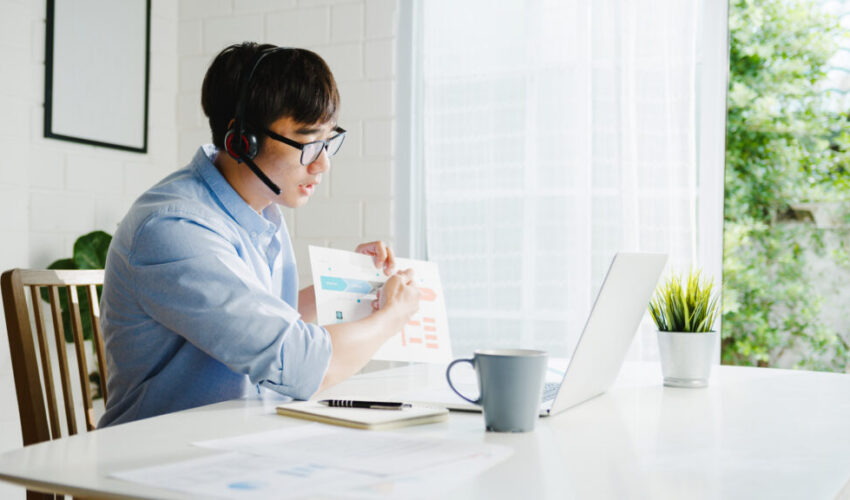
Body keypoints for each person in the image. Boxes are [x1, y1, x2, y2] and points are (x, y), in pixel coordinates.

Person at [98, 42, 420, 427]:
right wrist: (393, 317)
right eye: (307, 142)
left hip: (237, 444)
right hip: (159, 463)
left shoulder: (259, 206)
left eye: (328, 140)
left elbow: (260, 318)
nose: (323, 164)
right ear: (241, 141)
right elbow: (304, 366)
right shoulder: (174, 230)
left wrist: (354, 287)